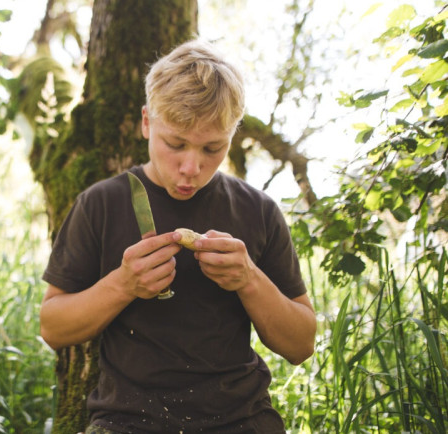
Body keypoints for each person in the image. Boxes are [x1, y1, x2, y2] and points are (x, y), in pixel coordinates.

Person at [39, 38, 317, 433]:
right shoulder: (99, 204)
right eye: (176, 144)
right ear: (146, 121)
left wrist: (249, 279)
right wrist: (124, 284)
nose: (191, 167)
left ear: (232, 135)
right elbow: (53, 327)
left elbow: (301, 345)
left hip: (242, 420)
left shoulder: (259, 211)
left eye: (212, 148)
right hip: (127, 421)